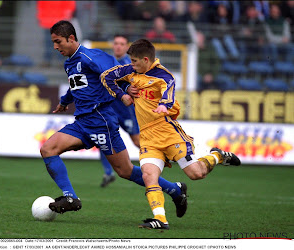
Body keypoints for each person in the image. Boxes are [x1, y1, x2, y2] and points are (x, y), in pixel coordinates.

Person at [40, 21, 188, 218]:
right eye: (53, 43)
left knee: (125, 171)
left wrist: (126, 90)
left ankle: (176, 191)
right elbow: (75, 85)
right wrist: (64, 101)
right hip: (83, 122)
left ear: (72, 38)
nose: (55, 47)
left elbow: (117, 74)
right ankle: (70, 197)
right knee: (47, 149)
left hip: (101, 120)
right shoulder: (70, 62)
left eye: (58, 42)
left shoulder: (91, 56)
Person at [100, 39, 241, 230]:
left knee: (196, 174)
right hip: (148, 137)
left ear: (146, 59)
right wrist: (123, 92)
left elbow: (169, 93)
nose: (130, 64)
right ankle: (160, 219)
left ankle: (217, 155)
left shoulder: (164, 76)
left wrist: (163, 106)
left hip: (168, 133)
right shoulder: (130, 71)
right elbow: (106, 77)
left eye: (134, 61)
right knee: (149, 175)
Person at [99, 34, 140, 187]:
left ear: (126, 47)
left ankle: (157, 159)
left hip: (126, 111)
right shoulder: (107, 63)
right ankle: (108, 173)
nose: (118, 46)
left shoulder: (130, 65)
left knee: (137, 141)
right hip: (110, 110)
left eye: (122, 44)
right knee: (103, 139)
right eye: (116, 43)